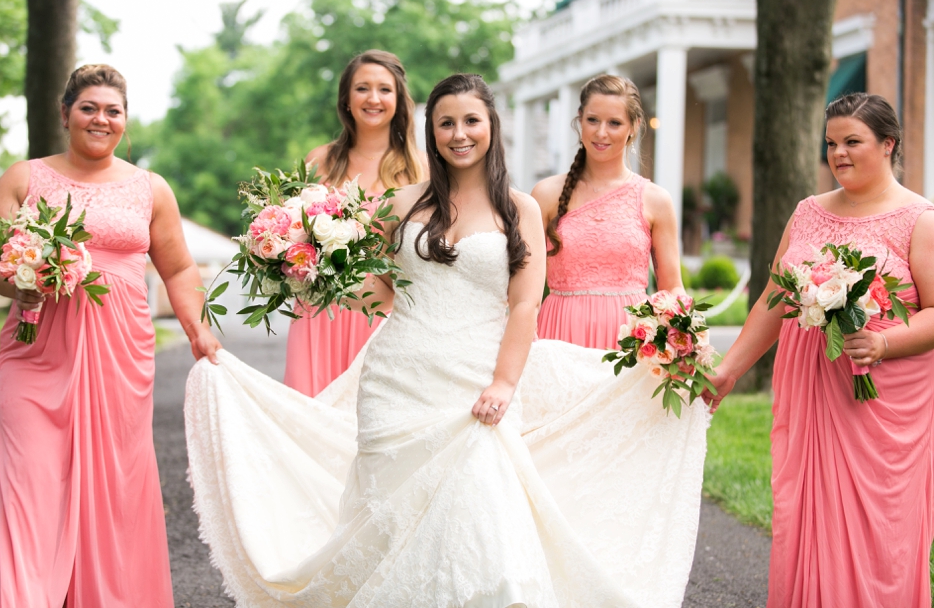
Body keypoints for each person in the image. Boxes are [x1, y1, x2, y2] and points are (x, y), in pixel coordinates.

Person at [184, 74, 710, 607]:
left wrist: (505, 383)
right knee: (392, 524)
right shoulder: (401, 204)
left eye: (471, 121)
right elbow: (382, 290)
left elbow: (526, 303)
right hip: (397, 381)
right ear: (430, 133)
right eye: (446, 123)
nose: (459, 134)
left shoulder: (520, 207)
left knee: (487, 537)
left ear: (491, 126)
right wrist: (314, 264)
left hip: (478, 384)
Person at [0, 64, 222, 607]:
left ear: (126, 121)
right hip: (35, 352)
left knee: (112, 490)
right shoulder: (24, 177)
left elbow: (178, 270)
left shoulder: (150, 188)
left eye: (113, 110)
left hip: (119, 359)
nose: (100, 119)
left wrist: (198, 330)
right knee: (31, 486)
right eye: (88, 108)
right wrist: (19, 282)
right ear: (65, 114)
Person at [703, 93, 934, 607]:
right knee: (809, 515)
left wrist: (883, 341)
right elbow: (773, 298)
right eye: (831, 143)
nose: (839, 153)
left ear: (888, 144)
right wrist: (730, 370)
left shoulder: (919, 219)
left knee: (879, 530)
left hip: (879, 399)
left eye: (853, 141)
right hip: (811, 387)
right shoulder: (808, 212)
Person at [284, 50, 425, 397]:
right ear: (346, 99)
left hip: (384, 316)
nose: (373, 98)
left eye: (384, 89)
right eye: (362, 88)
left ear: (399, 99)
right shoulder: (319, 160)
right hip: (319, 312)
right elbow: (291, 231)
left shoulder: (421, 168)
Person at [531, 75, 682, 349]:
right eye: (593, 120)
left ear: (634, 126)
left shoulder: (655, 200)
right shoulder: (545, 194)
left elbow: (671, 288)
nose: (601, 133)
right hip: (558, 337)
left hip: (631, 340)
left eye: (614, 123)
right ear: (580, 120)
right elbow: (524, 285)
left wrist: (685, 336)